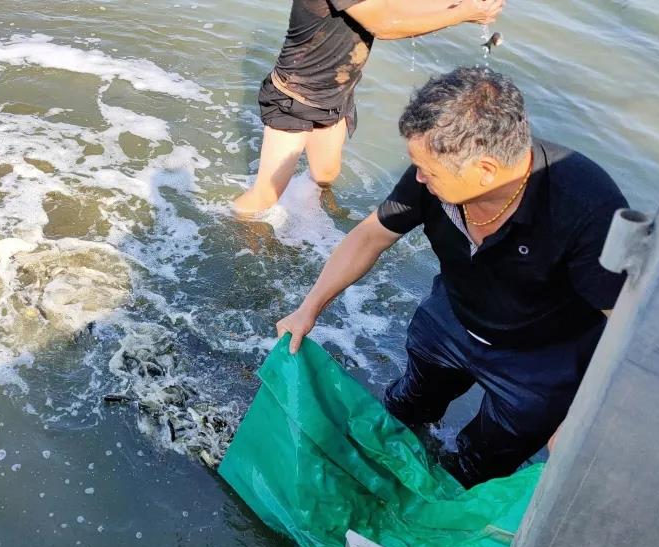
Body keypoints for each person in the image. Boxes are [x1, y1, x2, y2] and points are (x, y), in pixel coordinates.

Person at [275, 67, 628, 487]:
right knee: (404, 408)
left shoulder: (587, 208)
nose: (418, 178)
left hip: (542, 361)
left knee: (480, 464)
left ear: (485, 170)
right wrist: (308, 309)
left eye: (429, 171)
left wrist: (585, 418)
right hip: (452, 319)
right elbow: (370, 236)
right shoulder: (432, 175)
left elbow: (623, 325)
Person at [233, 0, 505, 214]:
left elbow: (395, 7)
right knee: (266, 196)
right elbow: (384, 25)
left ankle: (310, 222)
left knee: (325, 176)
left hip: (335, 96)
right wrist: (462, 14)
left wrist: (461, 5)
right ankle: (235, 229)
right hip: (294, 98)